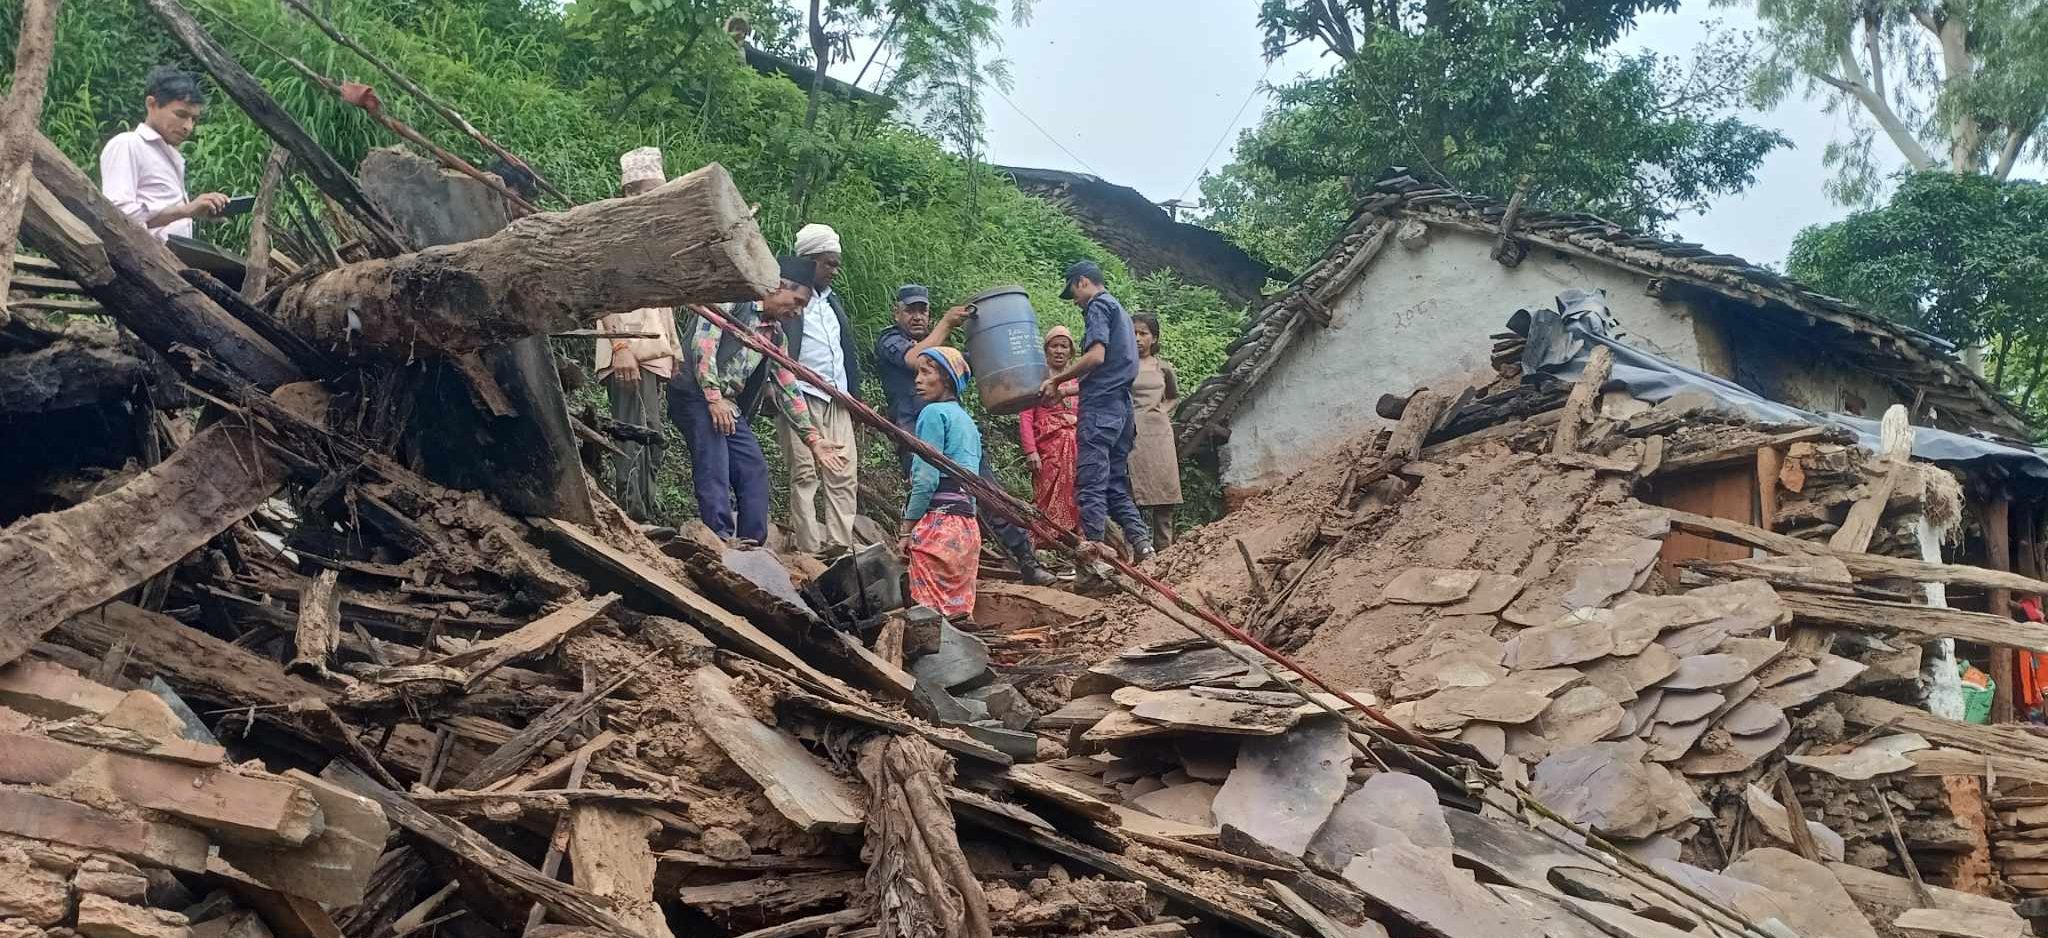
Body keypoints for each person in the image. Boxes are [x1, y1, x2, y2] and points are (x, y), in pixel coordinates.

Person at [874, 286, 1057, 586]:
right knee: (928, 495)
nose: (918, 316)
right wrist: (946, 324)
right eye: (911, 310)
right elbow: (912, 359)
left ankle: (1026, 560)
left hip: (956, 435)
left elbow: (974, 362)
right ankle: (924, 570)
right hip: (916, 436)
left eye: (923, 310)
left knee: (989, 493)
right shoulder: (890, 340)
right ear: (897, 313)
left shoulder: (944, 353)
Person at [671, 256, 849, 543]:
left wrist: (813, 438)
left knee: (753, 466)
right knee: (714, 457)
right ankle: (718, 538)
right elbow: (703, 346)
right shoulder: (734, 302)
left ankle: (752, 543)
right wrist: (713, 398)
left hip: (726, 403)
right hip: (694, 393)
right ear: (778, 286)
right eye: (798, 301)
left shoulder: (775, 334)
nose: (798, 311)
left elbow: (787, 386)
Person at [1037, 260, 1153, 570]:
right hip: (1121, 410)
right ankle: (1143, 545)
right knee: (1115, 483)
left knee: (1090, 483)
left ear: (1082, 283)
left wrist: (1057, 380)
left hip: (1101, 411)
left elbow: (1096, 356)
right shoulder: (1121, 313)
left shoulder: (1098, 306)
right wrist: (1069, 392)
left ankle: (1094, 563)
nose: (1075, 302)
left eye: (1073, 293)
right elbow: (1111, 372)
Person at [592, 147, 684, 523]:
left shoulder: (652, 240)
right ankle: (633, 519)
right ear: (630, 192)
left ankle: (644, 514)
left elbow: (664, 307)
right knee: (634, 436)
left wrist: (674, 351)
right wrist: (620, 346)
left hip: (653, 354)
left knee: (652, 439)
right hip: (629, 351)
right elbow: (603, 295)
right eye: (651, 190)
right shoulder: (615, 235)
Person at [783, 223, 864, 555]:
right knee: (804, 473)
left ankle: (839, 547)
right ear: (809, 260)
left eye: (836, 263)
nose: (834, 270)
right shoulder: (788, 299)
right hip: (798, 395)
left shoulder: (834, 304)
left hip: (837, 398)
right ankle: (808, 549)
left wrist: (855, 399)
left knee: (843, 474)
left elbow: (847, 352)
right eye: (828, 263)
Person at [900, 347, 983, 619]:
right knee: (956, 612)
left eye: (926, 371)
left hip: (939, 527)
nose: (917, 380)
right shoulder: (967, 421)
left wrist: (907, 529)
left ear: (946, 379)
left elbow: (926, 478)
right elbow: (972, 486)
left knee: (930, 616)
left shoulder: (933, 414)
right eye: (917, 373)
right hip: (967, 530)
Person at [100, 66, 228, 241]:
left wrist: (198, 211)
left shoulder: (170, 155)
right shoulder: (128, 144)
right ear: (151, 104)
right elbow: (116, 217)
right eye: (181, 114)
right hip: (142, 262)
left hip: (170, 263)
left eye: (194, 119)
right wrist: (186, 210)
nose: (188, 127)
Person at [1019, 326, 1081, 544]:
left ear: (1071, 352)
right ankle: (1044, 542)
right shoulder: (1037, 379)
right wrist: (1030, 451)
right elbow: (1026, 417)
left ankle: (1070, 542)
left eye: (1064, 346)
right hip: (1047, 450)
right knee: (1045, 496)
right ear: (1046, 351)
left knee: (1075, 495)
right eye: (1054, 346)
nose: (1059, 351)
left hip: (1076, 449)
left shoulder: (1078, 381)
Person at [1127, 312, 1183, 548]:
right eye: (1134, 333)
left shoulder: (1163, 368)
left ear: (1155, 337)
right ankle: (1138, 550)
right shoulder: (1123, 365)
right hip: (1132, 433)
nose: (1138, 338)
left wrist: (1161, 411)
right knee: (1134, 491)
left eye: (1143, 333)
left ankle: (1165, 550)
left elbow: (1174, 397)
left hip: (1160, 435)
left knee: (1164, 490)